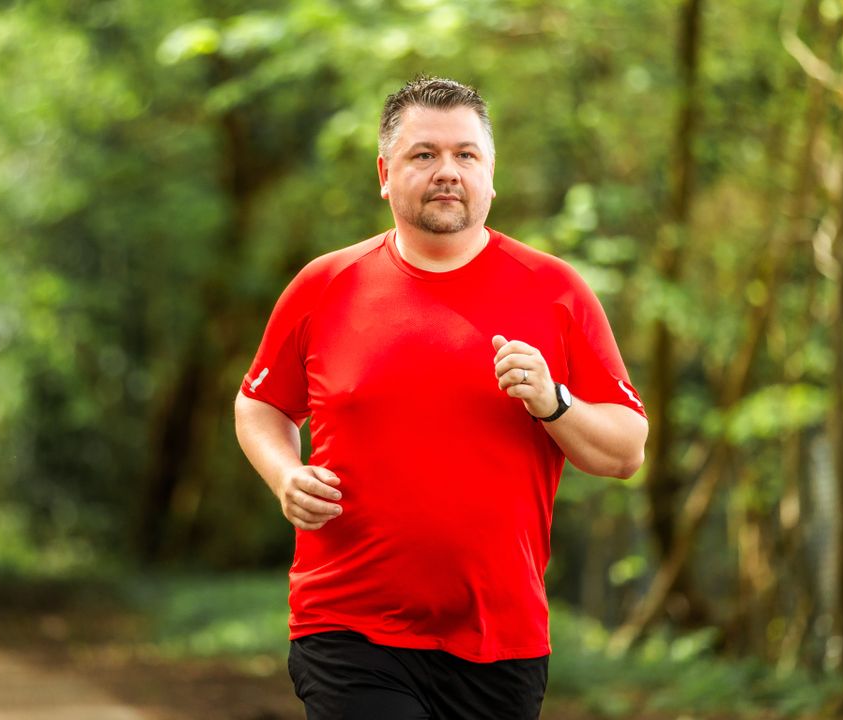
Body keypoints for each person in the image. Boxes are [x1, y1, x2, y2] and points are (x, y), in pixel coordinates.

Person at [234, 76, 648, 720]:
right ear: (384, 172)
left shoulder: (556, 292)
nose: (447, 171)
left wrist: (554, 402)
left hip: (502, 638)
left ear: (491, 175)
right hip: (347, 625)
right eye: (424, 155)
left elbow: (625, 453)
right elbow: (259, 403)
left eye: (466, 155)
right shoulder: (325, 286)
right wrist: (285, 475)